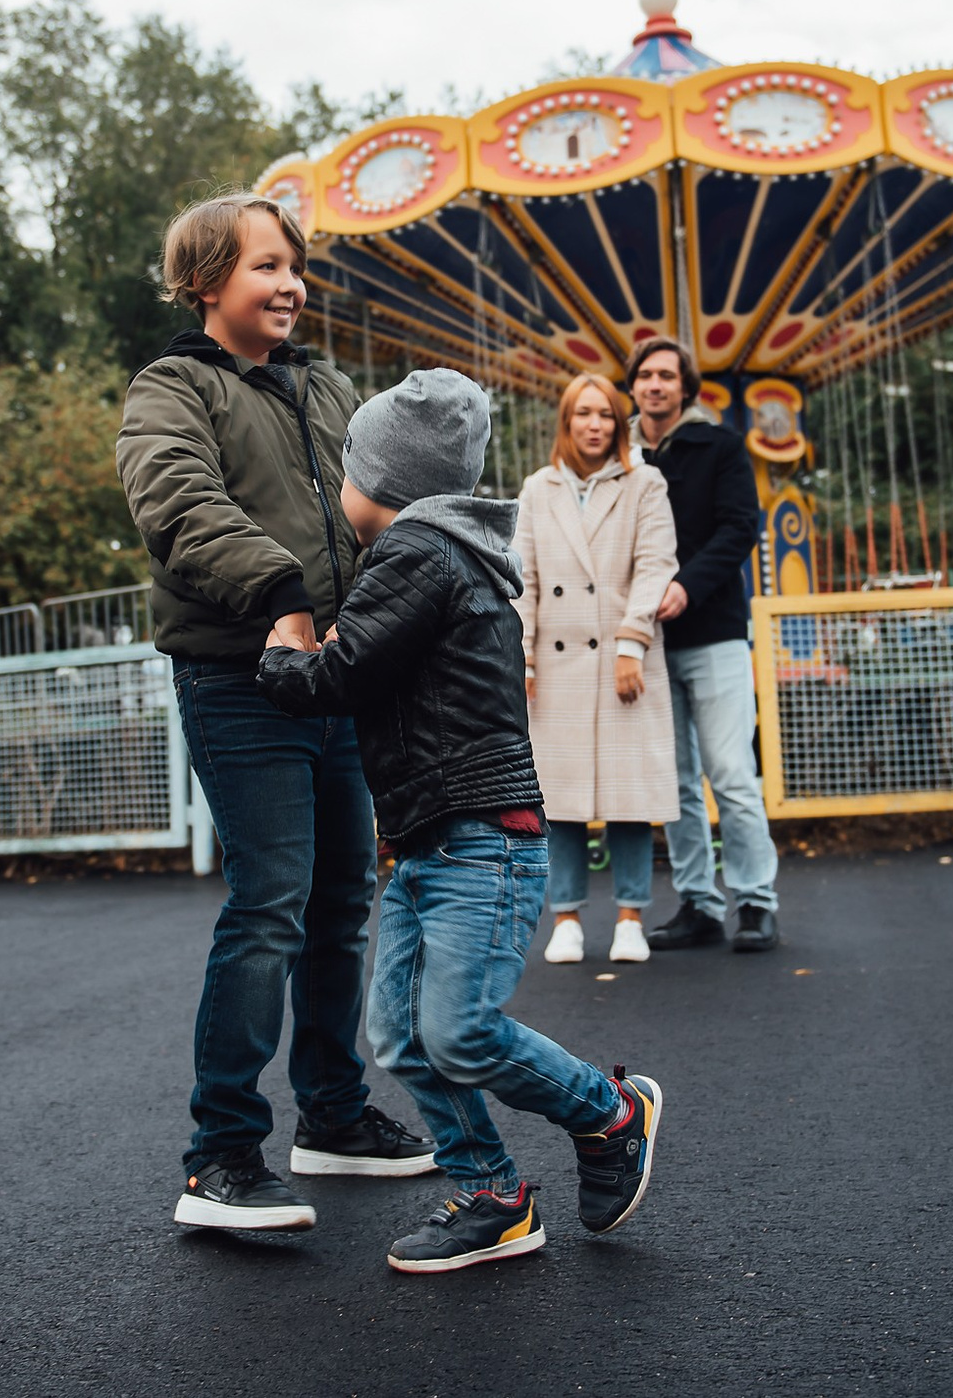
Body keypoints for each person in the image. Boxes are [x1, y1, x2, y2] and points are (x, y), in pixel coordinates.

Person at [258, 369, 665, 1274]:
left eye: (349, 468)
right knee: (404, 1035)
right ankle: (494, 1194)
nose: (343, 484)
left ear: (386, 478)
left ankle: (610, 1112)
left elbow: (339, 676)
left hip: (480, 838)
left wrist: (282, 653)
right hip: (428, 841)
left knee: (458, 1029)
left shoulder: (415, 552)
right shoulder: (444, 555)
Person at [116, 192, 435, 1235]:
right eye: (265, 265)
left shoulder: (328, 387)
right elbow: (178, 503)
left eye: (294, 265)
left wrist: (398, 610)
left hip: (337, 677)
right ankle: (219, 1154)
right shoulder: (173, 388)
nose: (290, 283)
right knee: (271, 902)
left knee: (342, 900)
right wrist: (282, 594)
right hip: (241, 677)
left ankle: (333, 1115)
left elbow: (382, 506)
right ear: (205, 280)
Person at [513, 372, 680, 965]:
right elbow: (524, 578)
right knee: (558, 799)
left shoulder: (645, 482)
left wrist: (632, 643)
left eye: (605, 414)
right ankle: (566, 918)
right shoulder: (538, 489)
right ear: (567, 421)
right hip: (557, 662)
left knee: (628, 795)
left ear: (618, 423)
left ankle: (631, 916)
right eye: (583, 413)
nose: (594, 425)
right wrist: (522, 654)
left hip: (622, 656)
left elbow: (656, 563)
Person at [627, 339, 783, 953]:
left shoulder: (719, 445)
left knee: (731, 772)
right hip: (649, 639)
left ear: (685, 387)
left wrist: (687, 585)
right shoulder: (620, 456)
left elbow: (740, 527)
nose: (655, 384)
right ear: (633, 386)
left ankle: (756, 900)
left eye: (667, 375)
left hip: (713, 630)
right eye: (646, 375)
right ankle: (698, 901)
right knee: (675, 781)